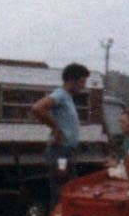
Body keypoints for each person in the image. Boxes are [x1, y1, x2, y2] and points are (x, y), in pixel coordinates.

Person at [31, 63, 90, 204]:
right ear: (71, 79)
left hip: (66, 152)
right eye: (82, 82)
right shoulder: (60, 95)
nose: (83, 86)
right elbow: (37, 108)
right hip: (60, 153)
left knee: (69, 190)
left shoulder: (67, 97)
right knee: (61, 189)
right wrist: (56, 128)